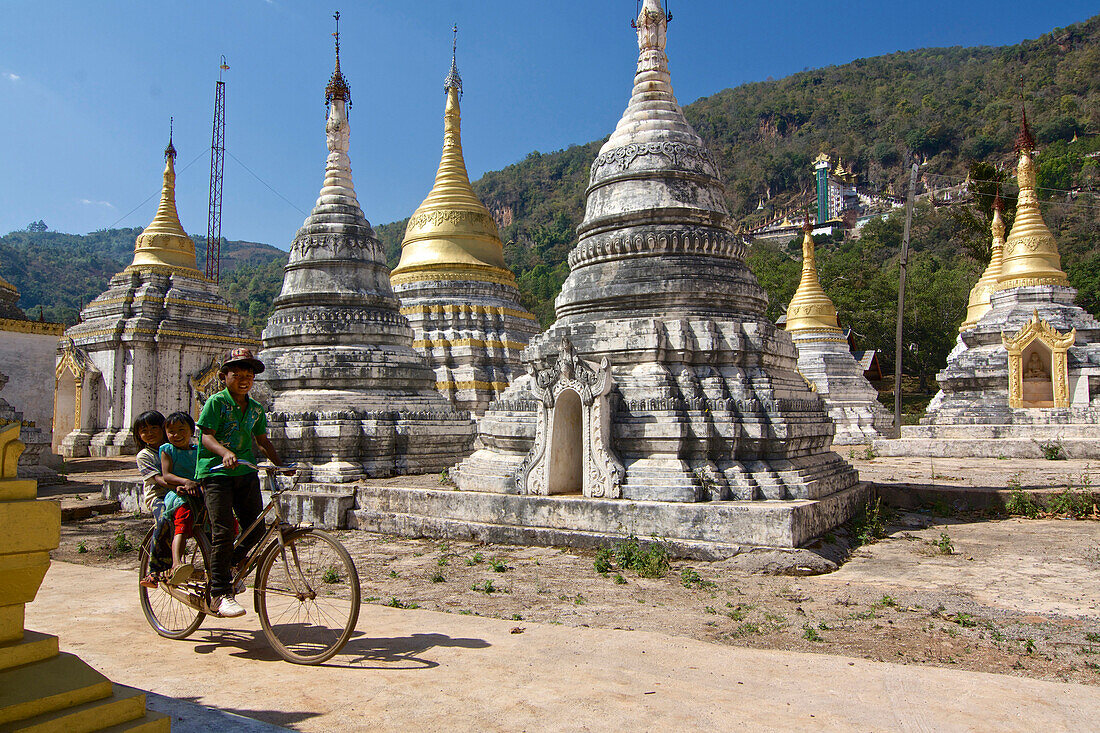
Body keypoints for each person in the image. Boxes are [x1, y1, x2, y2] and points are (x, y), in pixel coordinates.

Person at [195, 347, 282, 618]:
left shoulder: (256, 409)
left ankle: (227, 566)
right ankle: (219, 593)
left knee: (256, 530)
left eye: (249, 375)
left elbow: (262, 441)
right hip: (216, 472)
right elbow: (206, 437)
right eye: (238, 374)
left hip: (245, 472)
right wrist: (224, 452)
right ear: (224, 377)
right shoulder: (216, 403)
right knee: (223, 532)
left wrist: (282, 464)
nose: (244, 379)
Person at [158, 411, 203, 586]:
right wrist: (186, 482)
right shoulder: (167, 450)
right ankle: (177, 563)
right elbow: (167, 475)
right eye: (171, 431)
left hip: (198, 492)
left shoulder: (198, 450)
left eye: (181, 430)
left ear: (192, 431)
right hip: (179, 494)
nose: (176, 435)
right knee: (182, 524)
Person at [132, 410, 173, 588]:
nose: (149, 433)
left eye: (154, 428)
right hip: (158, 495)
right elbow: (158, 480)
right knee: (164, 519)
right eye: (144, 430)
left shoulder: (174, 448)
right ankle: (154, 570)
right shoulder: (144, 456)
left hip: (179, 492)